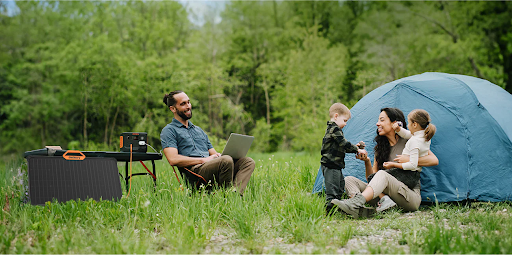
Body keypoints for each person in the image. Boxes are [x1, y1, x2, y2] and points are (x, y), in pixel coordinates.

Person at [331, 108, 438, 218]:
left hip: (408, 197)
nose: (377, 124)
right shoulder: (381, 149)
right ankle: (358, 208)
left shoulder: (410, 140)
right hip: (385, 198)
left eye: (382, 120)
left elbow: (434, 160)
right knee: (349, 180)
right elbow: (372, 179)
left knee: (382, 174)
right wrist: (367, 161)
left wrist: (408, 159)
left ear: (394, 123)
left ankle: (354, 204)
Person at [160, 90, 255, 195]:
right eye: (183, 104)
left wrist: (218, 155)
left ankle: (235, 195)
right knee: (226, 160)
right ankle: (226, 195)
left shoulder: (198, 130)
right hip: (195, 171)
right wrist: (203, 160)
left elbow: (213, 153)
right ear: (173, 108)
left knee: (247, 162)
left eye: (188, 102)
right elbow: (173, 159)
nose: (188, 106)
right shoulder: (169, 131)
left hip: (210, 165)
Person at [321, 103, 366, 215]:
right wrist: (357, 149)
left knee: (340, 186)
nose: (345, 124)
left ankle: (338, 209)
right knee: (332, 190)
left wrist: (356, 147)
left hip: (336, 165)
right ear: (336, 116)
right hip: (331, 165)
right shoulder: (334, 129)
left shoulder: (335, 130)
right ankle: (329, 213)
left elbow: (342, 146)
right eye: (345, 120)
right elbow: (343, 143)